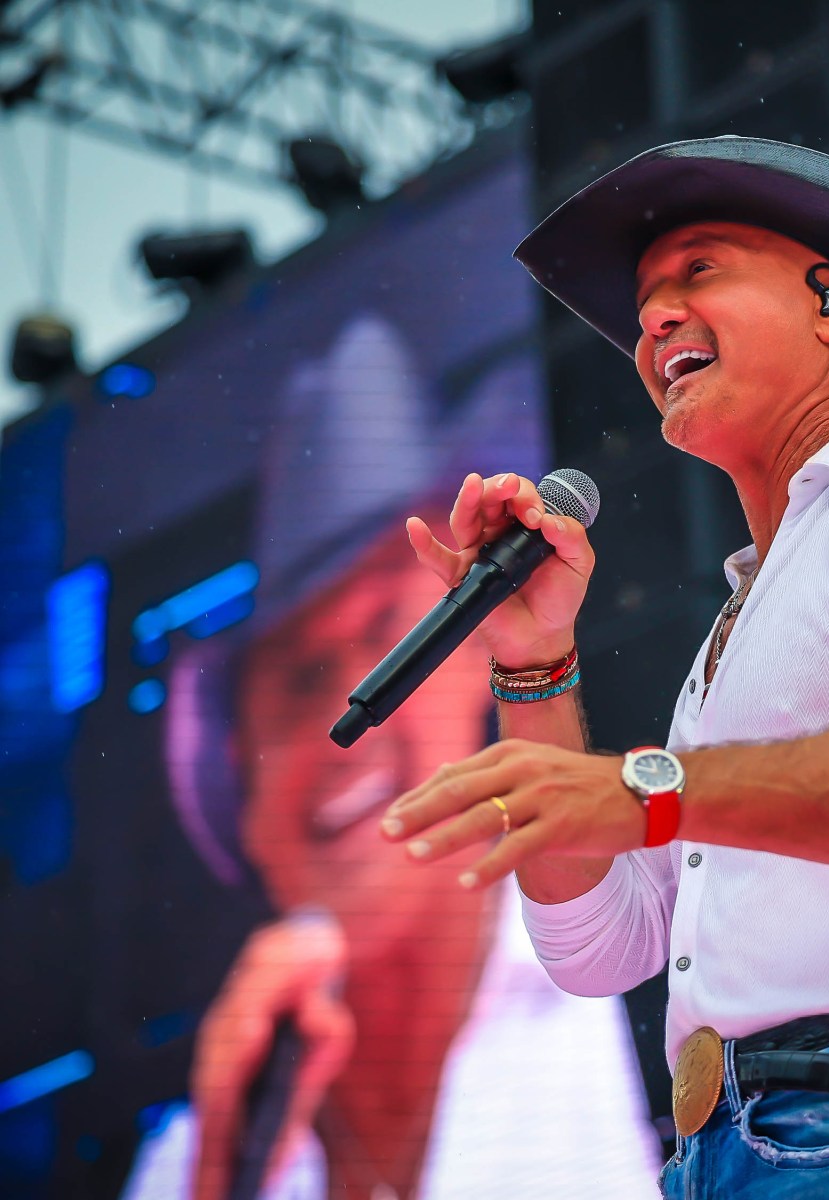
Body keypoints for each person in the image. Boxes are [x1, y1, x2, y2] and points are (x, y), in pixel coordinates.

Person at [381, 136, 829, 1197]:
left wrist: (641, 791)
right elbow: (600, 947)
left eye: (698, 271)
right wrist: (534, 664)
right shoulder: (739, 619)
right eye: (643, 308)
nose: (654, 321)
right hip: (727, 1149)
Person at [122, 315, 660, 1200]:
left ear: (477, 673)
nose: (348, 708)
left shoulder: (626, 973)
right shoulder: (191, 1161)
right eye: (301, 677)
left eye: (387, 633)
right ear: (239, 784)